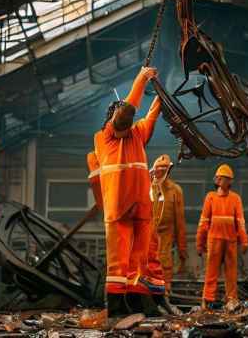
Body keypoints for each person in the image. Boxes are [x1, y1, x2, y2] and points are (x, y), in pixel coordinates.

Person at [93, 66, 161, 317]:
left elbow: (152, 116)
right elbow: (127, 113)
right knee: (119, 260)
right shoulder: (105, 136)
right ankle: (116, 307)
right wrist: (141, 79)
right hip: (119, 206)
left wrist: (161, 96)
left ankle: (133, 304)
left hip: (141, 205)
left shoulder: (137, 134)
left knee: (138, 260)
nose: (124, 120)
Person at [196, 164, 248, 310]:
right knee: (211, 272)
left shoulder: (235, 199)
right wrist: (199, 244)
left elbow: (240, 221)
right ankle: (207, 300)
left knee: (231, 273)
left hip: (230, 241)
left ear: (229, 181)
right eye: (219, 178)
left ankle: (231, 300)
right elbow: (203, 222)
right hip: (214, 241)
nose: (220, 180)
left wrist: (244, 241)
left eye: (223, 178)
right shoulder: (210, 198)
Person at [150, 154, 187, 294]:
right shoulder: (146, 188)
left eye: (164, 169)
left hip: (166, 233)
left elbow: (180, 222)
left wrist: (182, 250)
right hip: (148, 233)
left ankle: (165, 290)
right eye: (159, 169)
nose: (161, 172)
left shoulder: (175, 190)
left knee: (164, 259)